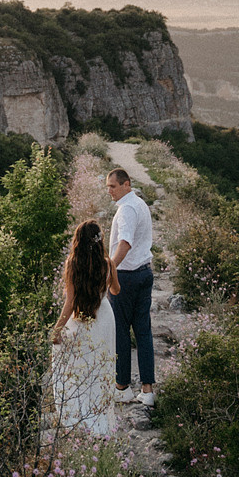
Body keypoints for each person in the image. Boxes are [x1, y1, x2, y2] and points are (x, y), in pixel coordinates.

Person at [50, 219, 121, 435]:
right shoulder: (108, 264)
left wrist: (57, 329)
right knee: (101, 369)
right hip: (105, 317)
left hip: (80, 318)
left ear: (78, 241)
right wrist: (108, 282)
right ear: (99, 241)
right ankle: (100, 420)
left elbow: (69, 302)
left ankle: (78, 418)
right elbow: (116, 290)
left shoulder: (72, 264)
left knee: (77, 368)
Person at [106, 166, 156, 407]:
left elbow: (124, 243)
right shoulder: (141, 204)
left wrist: (110, 270)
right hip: (145, 272)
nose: (110, 192)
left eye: (113, 187)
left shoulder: (126, 208)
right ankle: (147, 391)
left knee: (121, 333)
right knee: (144, 332)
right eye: (108, 187)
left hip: (125, 278)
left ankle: (123, 387)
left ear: (126, 184)